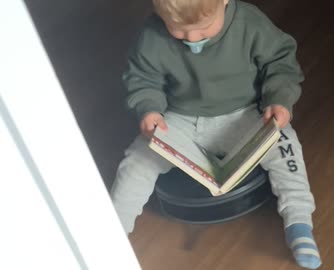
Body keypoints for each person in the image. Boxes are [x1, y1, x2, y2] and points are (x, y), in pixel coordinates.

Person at [110, 0, 321, 268]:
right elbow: (142, 78)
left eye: (203, 28)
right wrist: (149, 109)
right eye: (178, 28)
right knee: (136, 161)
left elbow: (280, 62)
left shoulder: (250, 23)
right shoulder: (152, 35)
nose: (192, 39)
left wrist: (278, 99)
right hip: (179, 119)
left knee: (286, 146)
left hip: (245, 114)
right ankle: (113, 233)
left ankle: (299, 222)